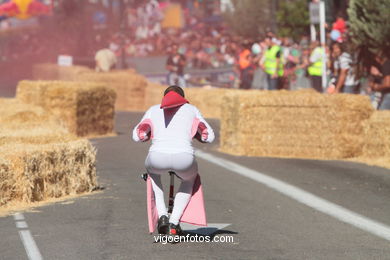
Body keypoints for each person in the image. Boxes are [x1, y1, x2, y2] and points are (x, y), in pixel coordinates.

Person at [132, 85, 215, 235]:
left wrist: (149, 134)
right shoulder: (192, 109)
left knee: (153, 175)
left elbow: (137, 136)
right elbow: (208, 136)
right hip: (184, 158)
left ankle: (162, 215)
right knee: (189, 179)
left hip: (157, 157)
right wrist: (196, 135)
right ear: (184, 99)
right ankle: (174, 223)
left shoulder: (154, 109)